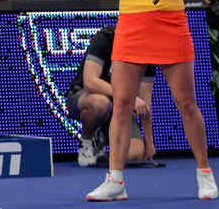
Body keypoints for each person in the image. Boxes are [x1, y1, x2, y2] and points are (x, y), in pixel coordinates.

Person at [62, 0, 219, 201]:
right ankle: (115, 180)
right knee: (120, 104)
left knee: (187, 104)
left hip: (170, 21)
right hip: (132, 23)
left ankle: (204, 174)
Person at [66, 25, 155, 167]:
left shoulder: (146, 49)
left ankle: (103, 137)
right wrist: (130, 98)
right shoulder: (105, 38)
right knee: (100, 103)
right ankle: (88, 140)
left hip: (121, 107)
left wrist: (149, 142)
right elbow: (90, 82)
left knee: (134, 155)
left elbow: (145, 101)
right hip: (86, 98)